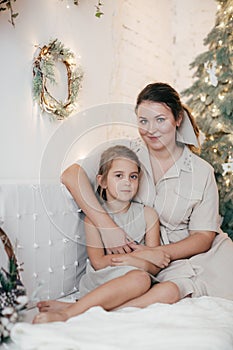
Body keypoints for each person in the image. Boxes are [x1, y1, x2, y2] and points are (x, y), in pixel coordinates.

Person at [35, 82, 233, 323]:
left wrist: (156, 251)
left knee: (183, 288)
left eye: (160, 119)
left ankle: (88, 312)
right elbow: (71, 175)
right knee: (146, 282)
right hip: (139, 260)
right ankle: (81, 310)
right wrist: (107, 226)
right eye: (143, 121)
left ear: (178, 119)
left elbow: (203, 237)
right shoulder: (124, 152)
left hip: (190, 257)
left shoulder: (201, 172)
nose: (151, 130)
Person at [33, 145, 177, 323]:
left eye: (133, 177)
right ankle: (67, 314)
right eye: (119, 176)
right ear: (102, 181)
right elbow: (99, 262)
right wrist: (135, 259)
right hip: (105, 280)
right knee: (140, 279)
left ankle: (83, 307)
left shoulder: (148, 215)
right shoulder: (93, 219)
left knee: (171, 290)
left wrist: (133, 261)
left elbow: (156, 264)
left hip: (138, 276)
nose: (127, 182)